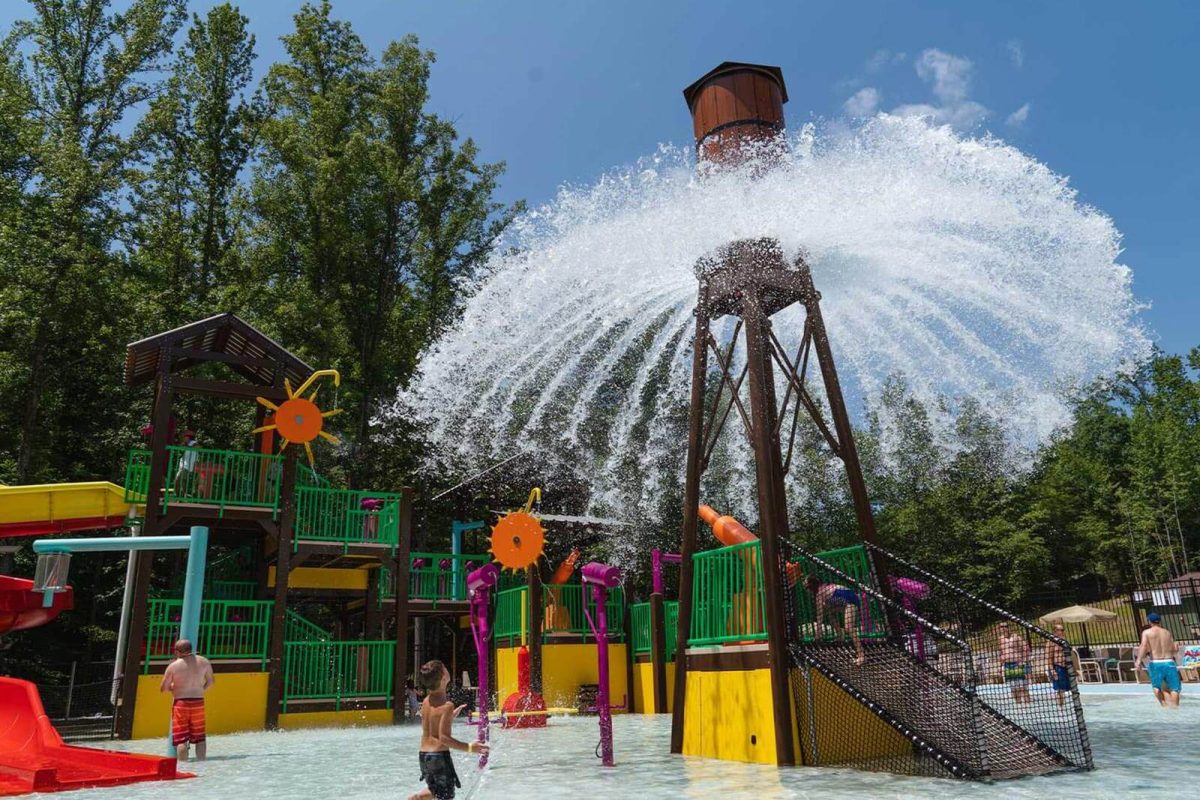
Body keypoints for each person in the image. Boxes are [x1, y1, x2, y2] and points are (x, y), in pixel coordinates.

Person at [410, 659, 487, 800]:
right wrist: (470, 747)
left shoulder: (426, 701)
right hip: (438, 757)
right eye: (445, 668)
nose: (447, 669)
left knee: (436, 792)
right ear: (443, 677)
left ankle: (416, 798)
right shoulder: (447, 705)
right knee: (446, 795)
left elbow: (429, 725)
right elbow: (443, 738)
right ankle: (417, 798)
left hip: (424, 756)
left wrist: (449, 717)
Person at [159, 639, 213, 761]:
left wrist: (174, 687)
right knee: (200, 738)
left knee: (181, 739)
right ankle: (202, 765)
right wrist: (200, 689)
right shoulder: (204, 661)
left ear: (177, 651)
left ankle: (183, 767)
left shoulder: (174, 666)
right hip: (198, 701)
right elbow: (210, 682)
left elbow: (163, 688)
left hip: (181, 703)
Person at [805, 576, 866, 665]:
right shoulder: (824, 588)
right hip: (845, 600)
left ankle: (861, 655)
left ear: (812, 587)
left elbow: (819, 615)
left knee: (848, 627)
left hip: (850, 600)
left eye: (807, 588)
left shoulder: (819, 594)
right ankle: (840, 635)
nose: (807, 591)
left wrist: (818, 636)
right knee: (829, 612)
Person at [1135, 612, 1181, 708]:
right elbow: (1174, 650)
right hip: (1169, 662)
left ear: (1149, 621)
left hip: (1156, 663)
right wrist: (1176, 648)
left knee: (1157, 687)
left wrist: (1138, 660)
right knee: (1174, 689)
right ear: (1159, 621)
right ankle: (1175, 709)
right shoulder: (1167, 632)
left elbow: (1143, 646)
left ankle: (1164, 707)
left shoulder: (1146, 632)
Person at [997, 621, 1031, 704]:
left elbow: (1026, 648)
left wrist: (1023, 661)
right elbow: (1001, 653)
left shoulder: (1016, 637)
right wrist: (999, 666)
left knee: (1023, 687)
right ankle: (1019, 706)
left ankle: (1028, 706)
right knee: (1013, 689)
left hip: (1017, 664)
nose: (1004, 628)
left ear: (1009, 627)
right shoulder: (1000, 639)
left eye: (1005, 626)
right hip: (1007, 665)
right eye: (1002, 627)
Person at [1047, 623, 1071, 707]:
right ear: (1055, 631)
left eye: (1063, 630)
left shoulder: (1065, 641)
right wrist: (1053, 671)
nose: (1062, 632)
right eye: (1060, 630)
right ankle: (1060, 707)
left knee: (1065, 689)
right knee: (1059, 690)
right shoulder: (1051, 642)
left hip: (1066, 668)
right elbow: (1049, 658)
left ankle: (1063, 706)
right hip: (1058, 668)